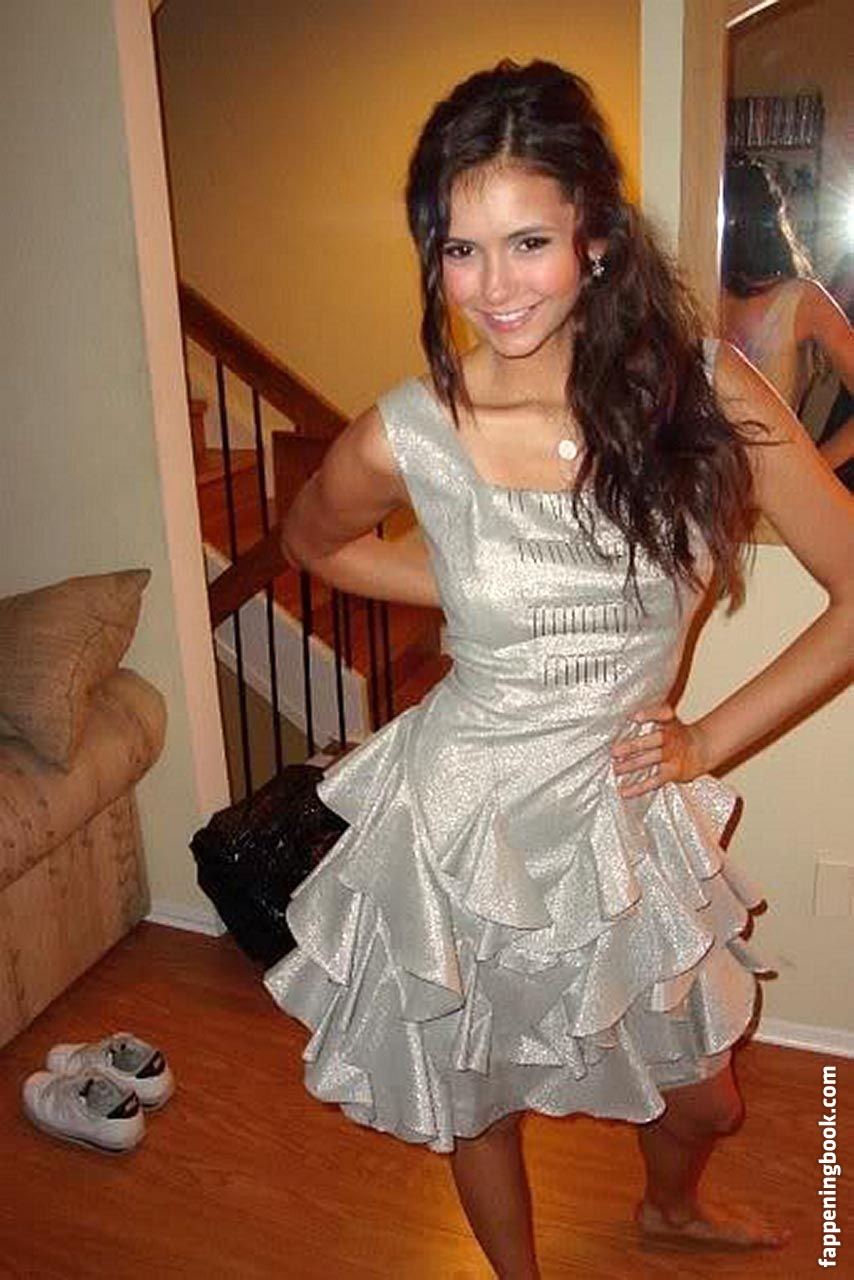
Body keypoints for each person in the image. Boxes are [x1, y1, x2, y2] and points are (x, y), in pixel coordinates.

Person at [264, 62, 854, 1276]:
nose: (492, 287)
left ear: (591, 233)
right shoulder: (407, 432)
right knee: (473, 1085)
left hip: (623, 808)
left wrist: (706, 739)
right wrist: (473, 583)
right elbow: (311, 543)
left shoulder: (701, 392)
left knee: (703, 1098)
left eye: (525, 241)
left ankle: (666, 1205)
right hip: (462, 813)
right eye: (459, 249)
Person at [720, 156, 854, 474]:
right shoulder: (699, 288)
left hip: (773, 489)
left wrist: (812, 471)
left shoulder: (802, 299)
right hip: (704, 485)